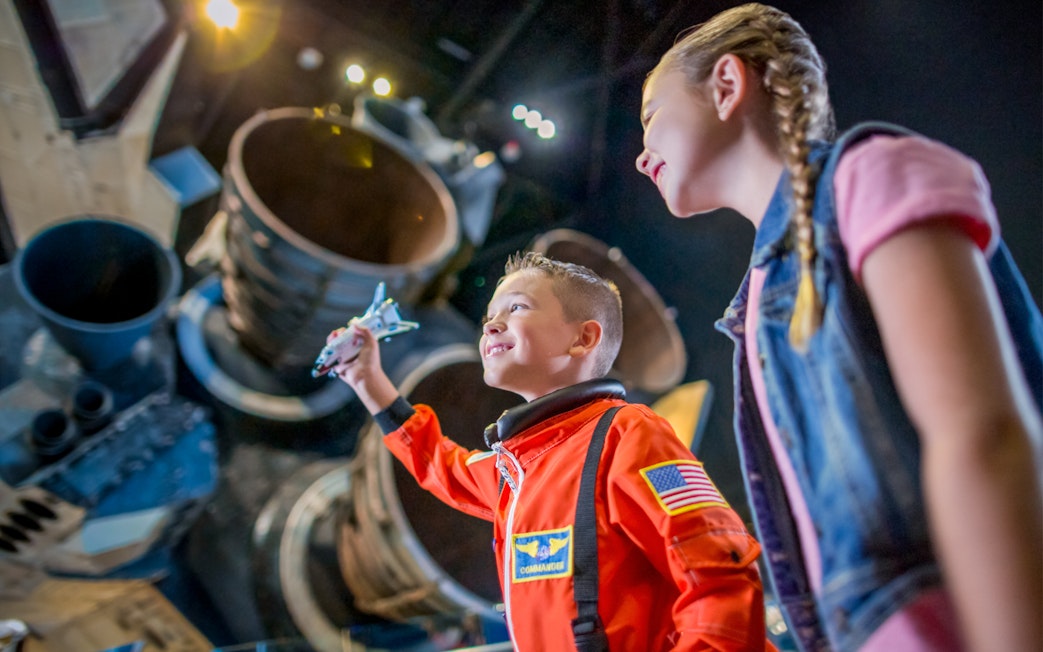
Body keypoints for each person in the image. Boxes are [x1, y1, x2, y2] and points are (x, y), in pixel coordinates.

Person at [634, 4, 1043, 652]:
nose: (638, 156)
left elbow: (981, 434)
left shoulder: (867, 174)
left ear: (725, 85)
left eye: (651, 117)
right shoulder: (757, 295)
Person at [329, 251, 778, 651]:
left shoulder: (632, 436)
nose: (491, 324)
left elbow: (722, 577)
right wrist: (369, 384)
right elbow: (443, 467)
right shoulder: (519, 469)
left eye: (517, 308)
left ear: (584, 339)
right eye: (490, 315)